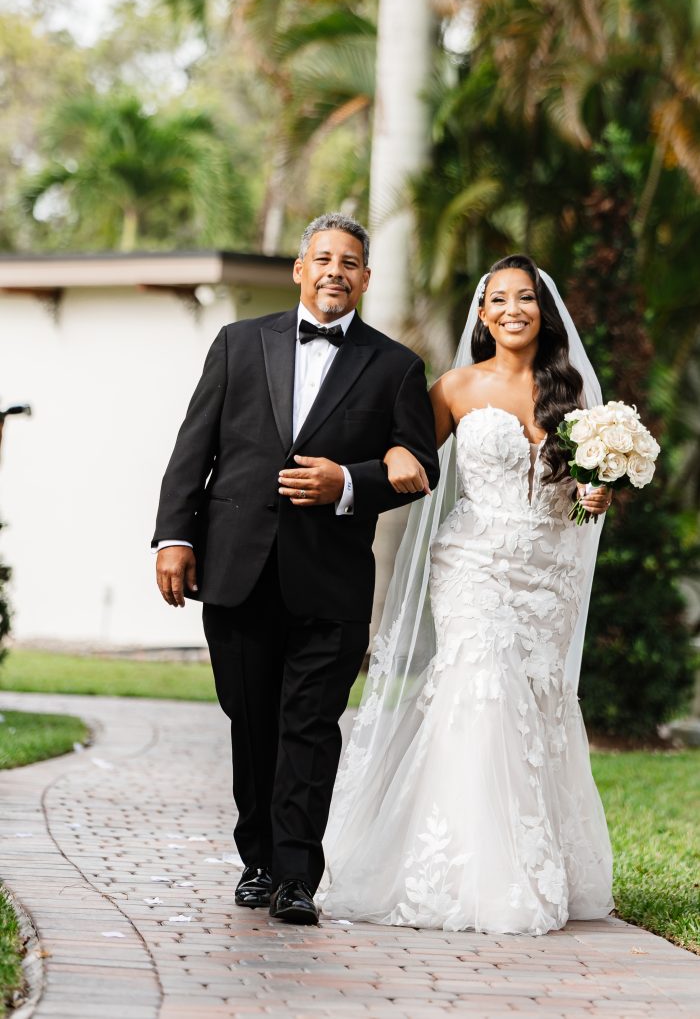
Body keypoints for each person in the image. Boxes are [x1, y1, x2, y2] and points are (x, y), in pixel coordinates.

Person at [152, 213, 439, 926]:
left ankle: (295, 874)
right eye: (323, 258)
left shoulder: (397, 366)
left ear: (365, 279)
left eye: (350, 261)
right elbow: (196, 449)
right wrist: (172, 538)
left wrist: (347, 481)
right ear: (299, 268)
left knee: (311, 724)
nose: (335, 270)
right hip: (237, 568)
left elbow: (418, 464)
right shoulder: (238, 343)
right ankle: (256, 859)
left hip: (331, 580)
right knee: (250, 722)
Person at [322, 254, 614, 935]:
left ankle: (533, 858)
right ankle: (474, 874)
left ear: (544, 312)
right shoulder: (453, 386)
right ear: (482, 316)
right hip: (474, 562)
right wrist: (363, 471)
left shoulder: (573, 397)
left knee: (534, 703)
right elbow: (410, 456)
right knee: (483, 691)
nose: (513, 309)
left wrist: (595, 497)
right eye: (499, 299)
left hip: (549, 573)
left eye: (526, 298)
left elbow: (583, 506)